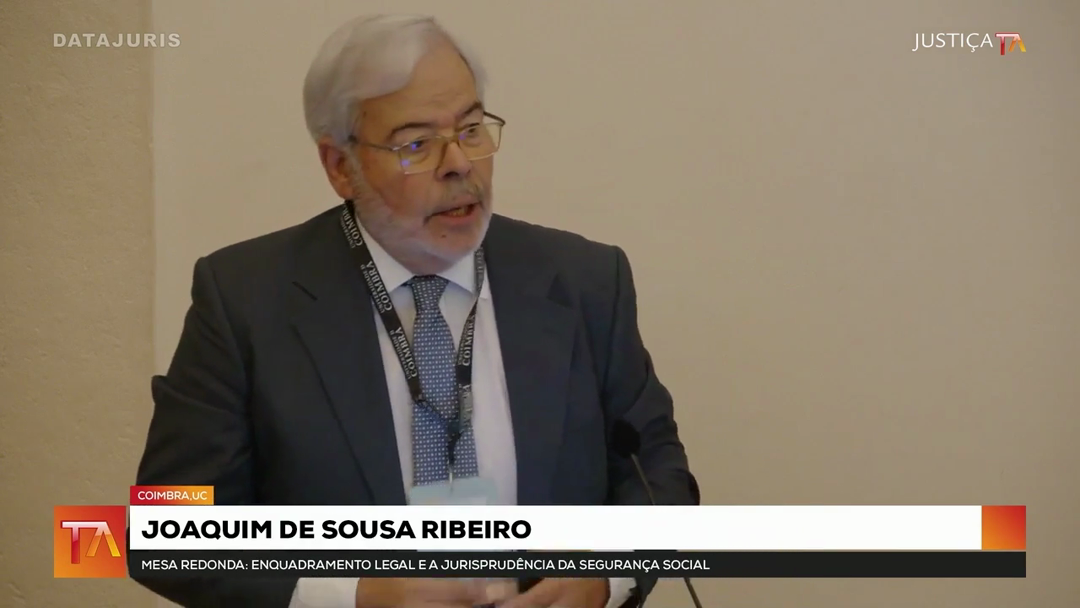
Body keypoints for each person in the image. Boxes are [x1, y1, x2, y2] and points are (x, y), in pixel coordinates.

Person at [130, 13, 698, 608]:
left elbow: (659, 474)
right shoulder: (245, 299)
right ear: (340, 167)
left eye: (471, 129)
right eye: (416, 144)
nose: (459, 163)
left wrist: (606, 575)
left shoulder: (585, 282)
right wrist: (351, 594)